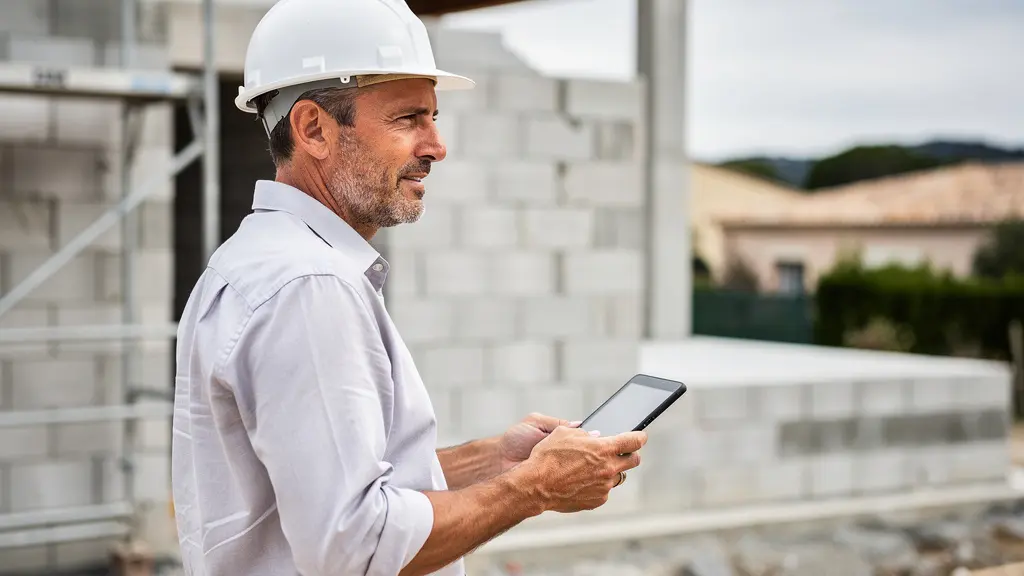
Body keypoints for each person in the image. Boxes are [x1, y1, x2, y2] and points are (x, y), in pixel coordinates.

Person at [170, 0, 646, 574]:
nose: (435, 146)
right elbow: (357, 545)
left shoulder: (255, 262)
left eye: (433, 117)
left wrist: (496, 459)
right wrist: (534, 487)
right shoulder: (309, 287)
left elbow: (344, 486)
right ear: (314, 129)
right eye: (407, 119)